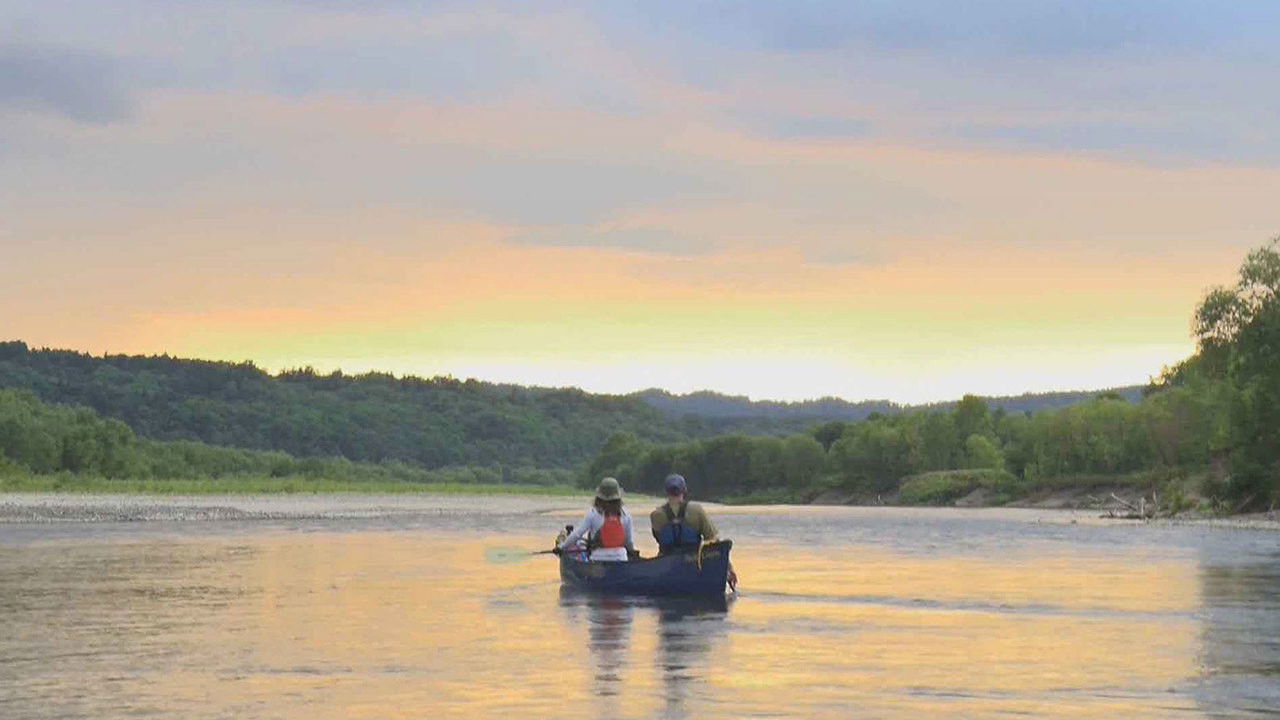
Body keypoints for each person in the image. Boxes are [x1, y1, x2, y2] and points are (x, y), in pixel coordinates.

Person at [651, 474, 737, 589]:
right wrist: (729, 569)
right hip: (693, 562)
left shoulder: (656, 515)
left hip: (668, 565)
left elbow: (659, 539)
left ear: (666, 492)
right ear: (684, 490)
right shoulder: (696, 510)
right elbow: (714, 540)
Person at [557, 477, 636, 562]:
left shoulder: (593, 513)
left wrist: (562, 547)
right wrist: (631, 552)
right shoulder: (625, 514)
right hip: (621, 558)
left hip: (598, 558)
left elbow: (577, 534)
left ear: (599, 496)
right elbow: (629, 542)